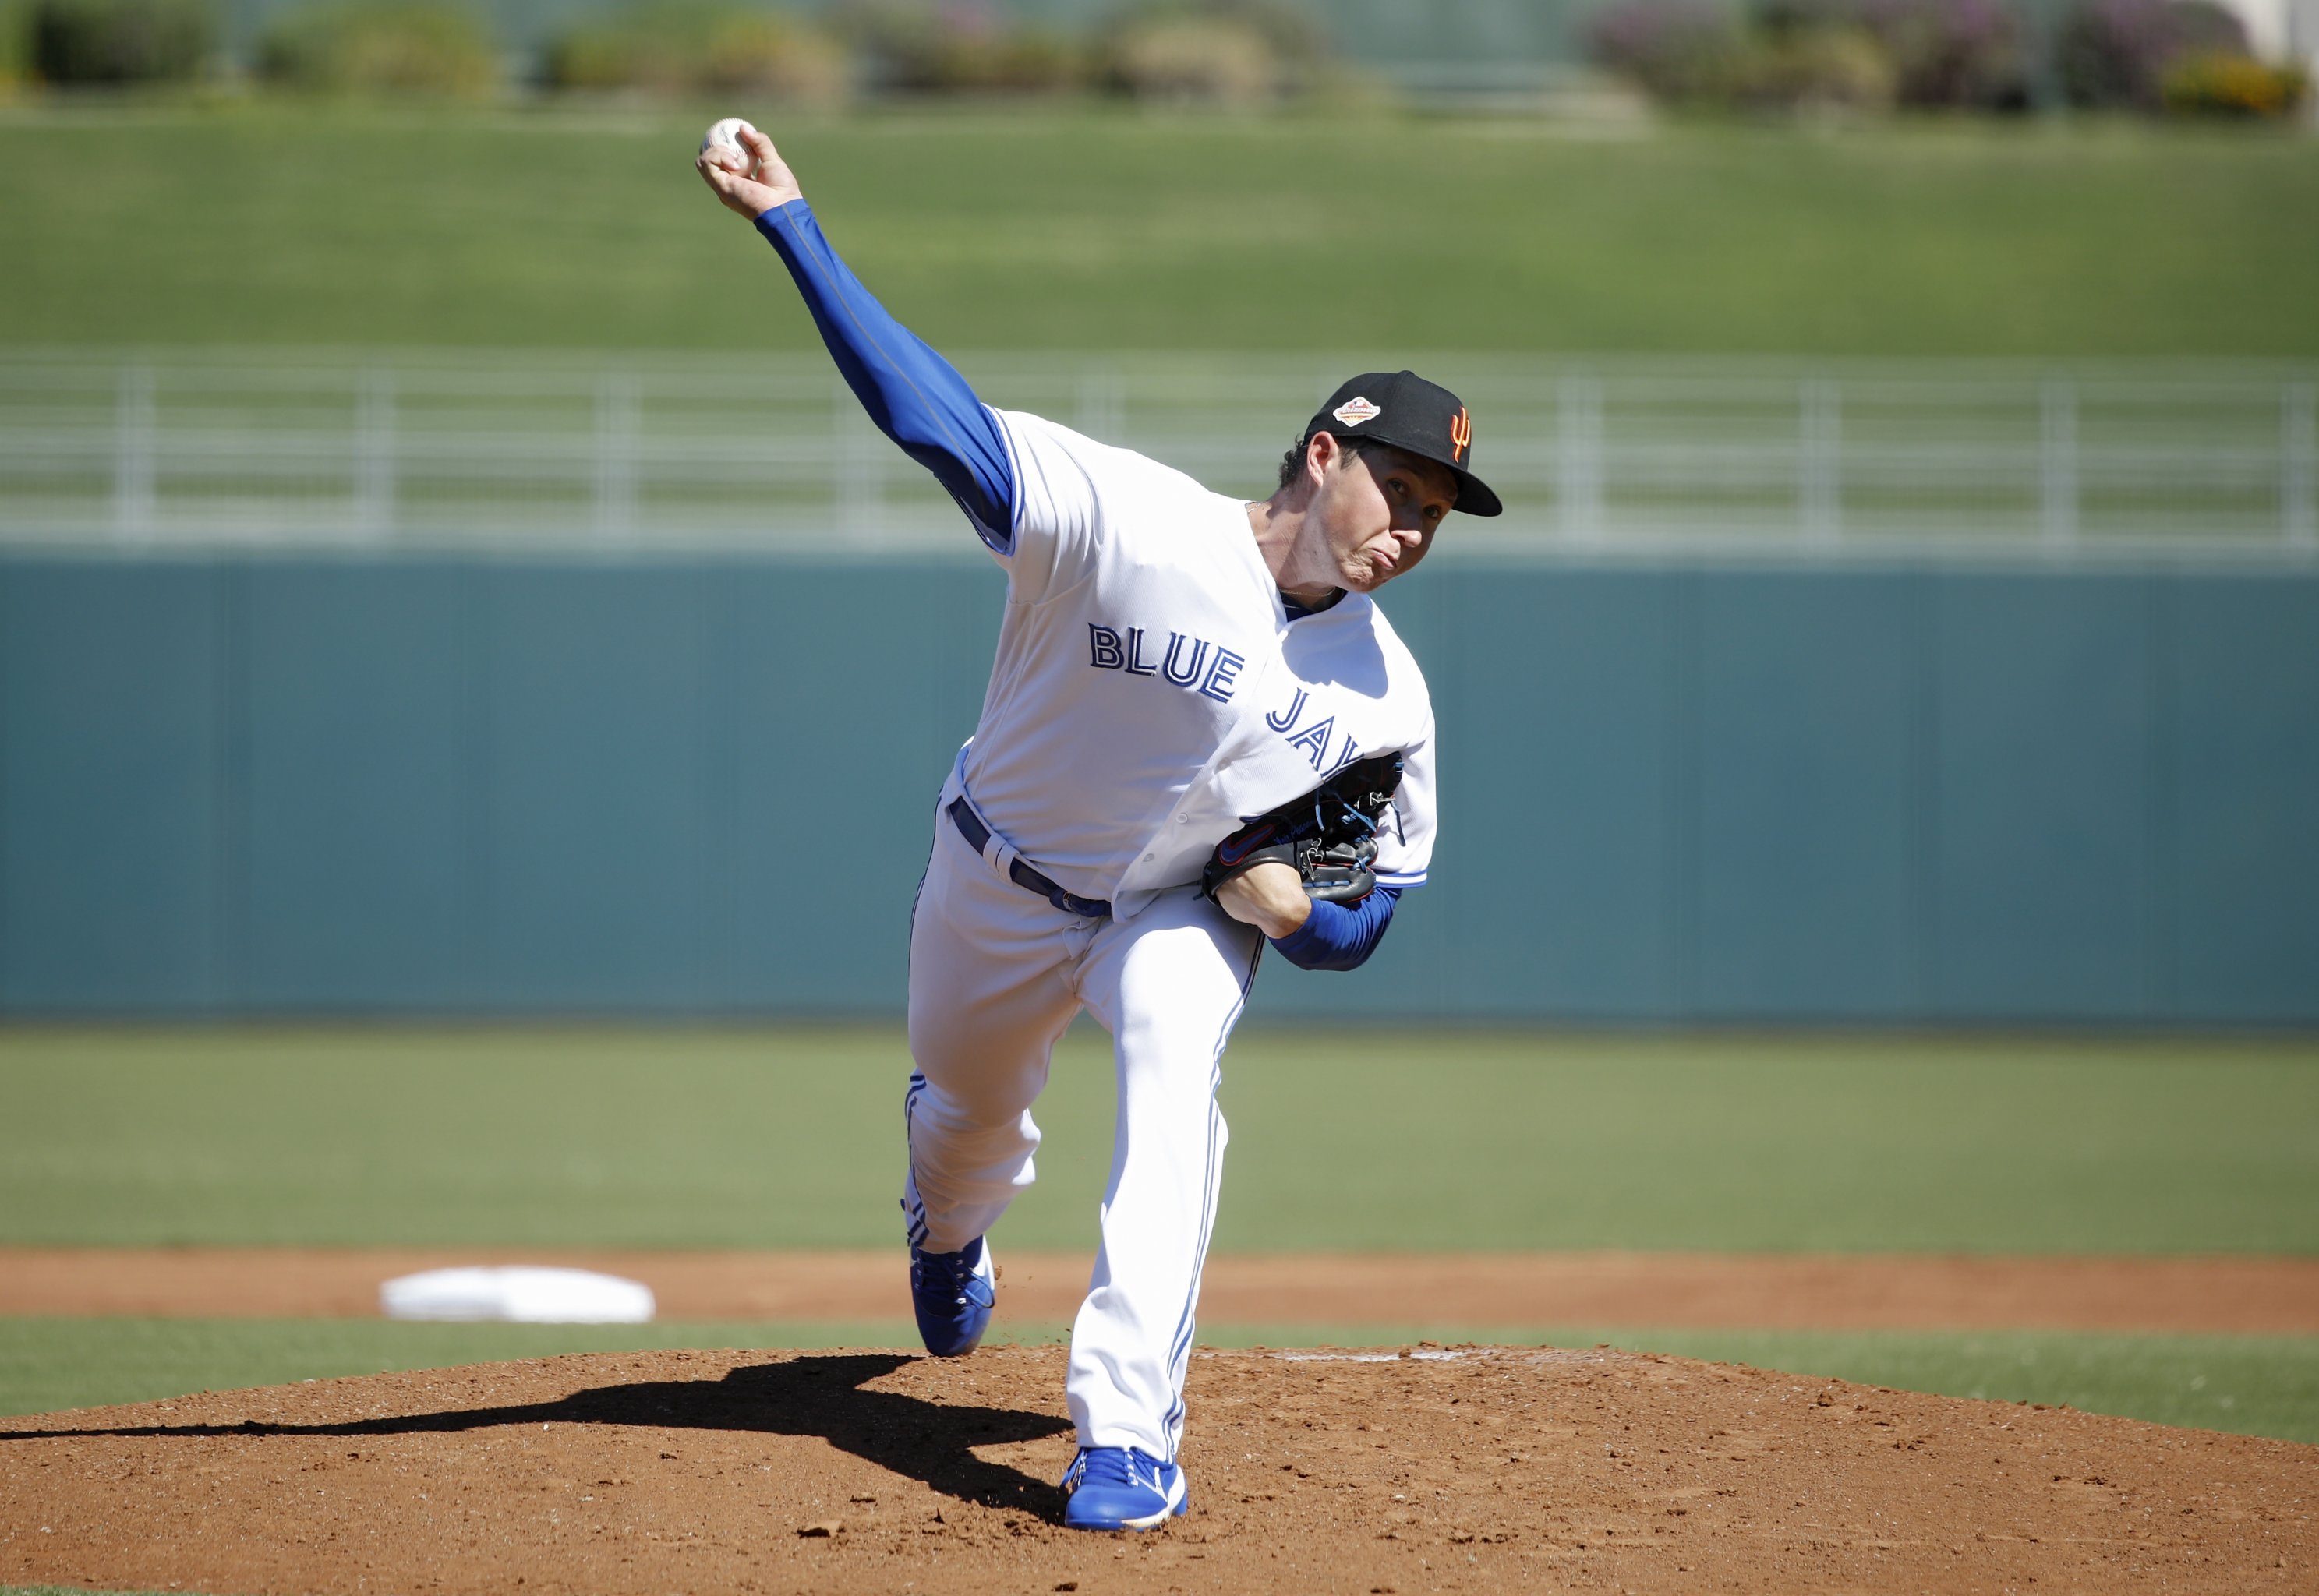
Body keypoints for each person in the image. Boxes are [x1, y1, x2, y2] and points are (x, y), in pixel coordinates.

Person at [697, 125, 1501, 1533]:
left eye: (1440, 516)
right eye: (1405, 493)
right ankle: (948, 1231)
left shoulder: (1390, 698)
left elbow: (1372, 916)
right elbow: (932, 417)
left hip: (1171, 909)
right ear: (1327, 455)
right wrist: (795, 226)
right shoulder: (1133, 520)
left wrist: (1304, 916)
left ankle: (1126, 1435)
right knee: (966, 1128)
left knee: (1175, 1067)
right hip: (998, 877)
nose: (1415, 533)